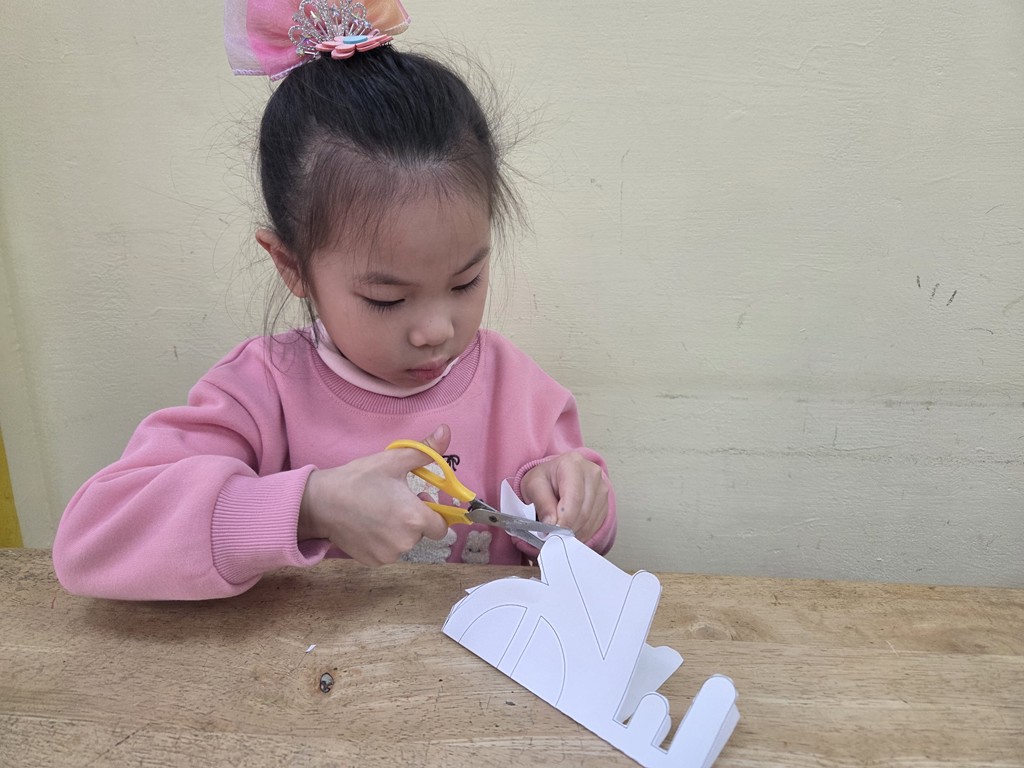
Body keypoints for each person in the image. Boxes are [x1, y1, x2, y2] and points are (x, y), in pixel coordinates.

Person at [52, 0, 616, 600]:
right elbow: (91, 542)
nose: (435, 330)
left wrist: (576, 505)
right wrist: (308, 506)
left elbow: (592, 543)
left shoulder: (518, 393)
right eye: (385, 299)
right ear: (292, 265)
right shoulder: (260, 392)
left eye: (464, 283)